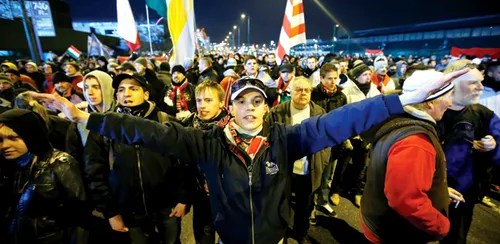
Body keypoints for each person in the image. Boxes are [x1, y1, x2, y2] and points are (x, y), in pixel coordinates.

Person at [33, 69, 468, 244]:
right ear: (231, 106)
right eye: (241, 101)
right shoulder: (204, 142)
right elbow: (149, 132)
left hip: (274, 238)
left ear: (265, 106)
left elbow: (340, 122)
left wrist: (396, 101)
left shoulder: (285, 138)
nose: (250, 109)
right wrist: (84, 117)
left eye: (257, 101)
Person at [361, 70, 464, 244]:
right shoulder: (416, 143)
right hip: (396, 232)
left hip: (381, 219)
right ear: (430, 101)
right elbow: (406, 199)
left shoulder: (400, 118)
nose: (450, 102)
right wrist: (441, 226)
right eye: (448, 96)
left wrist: (437, 190)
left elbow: (402, 180)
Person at [83, 73, 187, 244]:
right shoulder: (104, 127)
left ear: (146, 94)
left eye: (133, 89)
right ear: (116, 96)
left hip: (166, 207)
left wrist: (183, 199)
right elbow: (93, 172)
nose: (127, 94)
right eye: (121, 90)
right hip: (128, 211)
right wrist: (110, 212)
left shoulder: (165, 122)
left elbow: (182, 163)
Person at [0, 109, 87, 244]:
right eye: (0, 140)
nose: (5, 145)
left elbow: (80, 220)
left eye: (13, 138)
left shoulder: (61, 164)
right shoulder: (11, 167)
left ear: (31, 135)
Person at [438, 60, 500, 244]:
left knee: (455, 239)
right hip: (425, 192)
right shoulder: (432, 110)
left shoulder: (484, 115)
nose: (480, 88)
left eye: (481, 81)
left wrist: (494, 146)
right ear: (452, 83)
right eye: (473, 82)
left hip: (462, 197)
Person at [266, 77, 331, 244]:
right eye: (298, 89)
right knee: (281, 204)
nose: (303, 93)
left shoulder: (319, 113)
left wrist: (322, 161)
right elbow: (267, 140)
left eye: (307, 90)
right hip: (284, 170)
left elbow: (327, 142)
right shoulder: (277, 113)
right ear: (290, 91)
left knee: (305, 206)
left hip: (309, 170)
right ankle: (282, 233)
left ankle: (302, 233)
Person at [181, 80, 231, 244]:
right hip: (200, 196)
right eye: (199, 100)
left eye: (208, 100)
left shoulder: (232, 127)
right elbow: (183, 165)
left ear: (221, 103)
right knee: (203, 237)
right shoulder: (188, 125)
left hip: (228, 197)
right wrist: (185, 198)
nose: (202, 105)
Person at [337, 61, 381, 207]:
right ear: (356, 76)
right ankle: (336, 190)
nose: (368, 77)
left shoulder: (374, 90)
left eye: (369, 74)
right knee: (342, 163)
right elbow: (342, 113)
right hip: (349, 133)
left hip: (366, 134)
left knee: (361, 164)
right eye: (364, 75)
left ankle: (356, 191)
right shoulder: (346, 90)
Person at [310, 63, 349, 216]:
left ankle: (323, 201)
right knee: (314, 175)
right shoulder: (313, 94)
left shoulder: (341, 96)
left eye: (335, 78)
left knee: (328, 174)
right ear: (321, 78)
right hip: (316, 141)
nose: (333, 82)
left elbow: (344, 117)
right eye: (329, 79)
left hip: (334, 141)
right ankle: (311, 206)